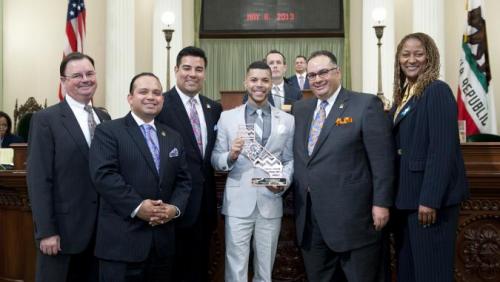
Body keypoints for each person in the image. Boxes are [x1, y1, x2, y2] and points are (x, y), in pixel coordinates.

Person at [292, 50, 395, 281]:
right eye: (311, 75)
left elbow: (382, 160)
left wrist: (381, 203)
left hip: (353, 219)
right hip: (311, 220)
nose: (317, 80)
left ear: (337, 72)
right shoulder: (301, 110)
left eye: (323, 73)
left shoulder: (365, 104)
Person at [88, 73, 191, 282]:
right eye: (143, 92)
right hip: (121, 245)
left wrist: (174, 209)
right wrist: (138, 207)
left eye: (156, 92)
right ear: (130, 98)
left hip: (162, 245)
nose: (151, 97)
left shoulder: (173, 136)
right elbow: (104, 176)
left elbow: (184, 180)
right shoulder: (108, 131)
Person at [391, 32, 469, 282]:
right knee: (410, 273)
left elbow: (442, 150)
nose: (411, 59)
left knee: (431, 274)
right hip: (406, 201)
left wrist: (430, 200)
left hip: (428, 204)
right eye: (405, 54)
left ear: (430, 58)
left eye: (418, 53)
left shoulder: (436, 91)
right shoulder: (406, 95)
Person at [27, 52, 111, 282]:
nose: (85, 79)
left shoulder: (105, 118)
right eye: (77, 75)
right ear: (63, 81)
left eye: (90, 73)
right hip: (62, 233)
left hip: (101, 234)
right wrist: (46, 231)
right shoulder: (46, 119)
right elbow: (38, 179)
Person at [212, 61, 294, 282]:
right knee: (235, 266)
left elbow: (289, 160)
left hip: (270, 200)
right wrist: (230, 155)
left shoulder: (287, 120)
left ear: (271, 83)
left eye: (265, 80)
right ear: (245, 82)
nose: (259, 85)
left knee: (265, 269)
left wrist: (283, 181)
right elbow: (215, 158)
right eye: (254, 80)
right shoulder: (227, 118)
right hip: (238, 203)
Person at [156, 46, 222, 282]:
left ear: (205, 73)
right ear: (176, 70)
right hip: (171, 204)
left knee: (199, 269)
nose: (192, 74)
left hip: (204, 206)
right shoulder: (160, 105)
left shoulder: (213, 108)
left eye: (199, 69)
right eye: (187, 68)